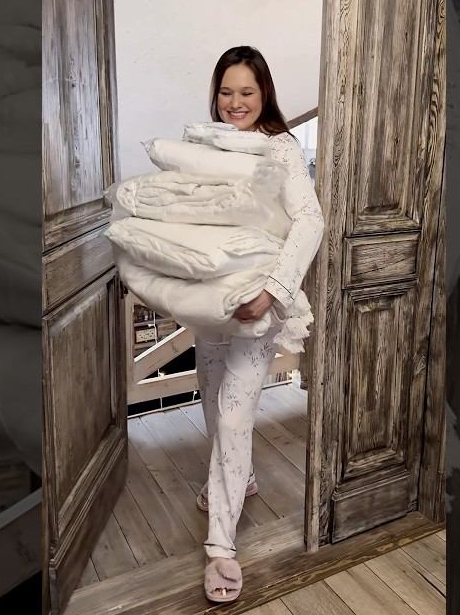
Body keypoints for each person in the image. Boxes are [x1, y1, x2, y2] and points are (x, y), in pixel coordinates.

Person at [195, 46, 324, 603]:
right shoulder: (208, 144)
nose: (235, 102)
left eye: (246, 91)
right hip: (212, 302)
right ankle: (238, 478)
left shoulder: (282, 149)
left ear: (264, 93)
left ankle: (220, 548)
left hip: (260, 303)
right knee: (211, 397)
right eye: (226, 91)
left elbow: (310, 220)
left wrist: (270, 292)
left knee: (233, 414)